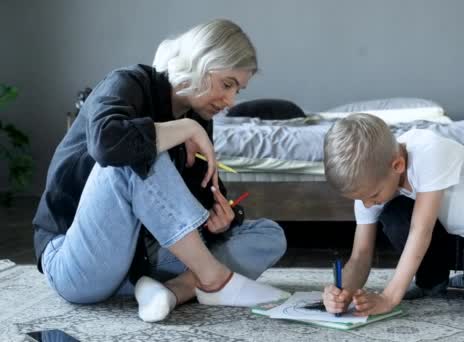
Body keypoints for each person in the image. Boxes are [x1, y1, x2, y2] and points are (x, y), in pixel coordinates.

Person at [32, 19, 288, 323]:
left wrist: (224, 219)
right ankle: (212, 280)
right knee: (136, 155)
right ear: (200, 63)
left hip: (143, 263)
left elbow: (180, 202)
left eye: (238, 90)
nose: (231, 101)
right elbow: (106, 144)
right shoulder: (128, 82)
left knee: (269, 235)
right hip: (81, 263)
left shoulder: (198, 116)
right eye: (227, 84)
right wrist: (185, 128)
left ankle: (170, 291)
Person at [321, 113, 464, 315]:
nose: (367, 205)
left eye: (372, 196)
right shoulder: (371, 181)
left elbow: (421, 230)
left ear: (398, 165)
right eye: (361, 199)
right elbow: (360, 255)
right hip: (446, 236)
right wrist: (342, 292)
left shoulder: (430, 151)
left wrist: (389, 298)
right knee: (394, 213)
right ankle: (433, 280)